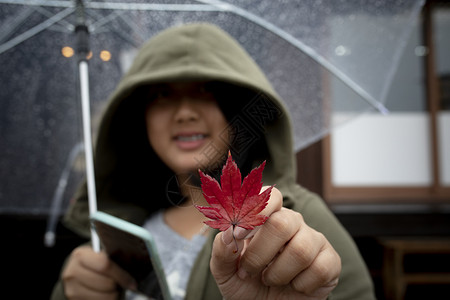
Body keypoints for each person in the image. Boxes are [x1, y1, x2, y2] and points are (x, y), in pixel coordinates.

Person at [51, 23, 376, 300]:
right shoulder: (121, 229)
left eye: (206, 91)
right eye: (162, 95)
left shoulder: (292, 219)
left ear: (238, 112)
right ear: (139, 119)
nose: (185, 112)